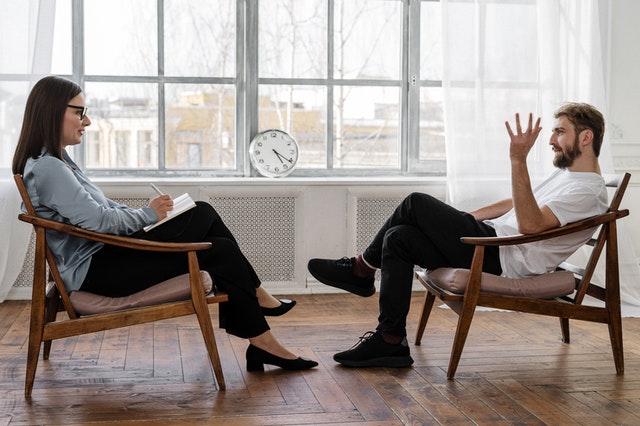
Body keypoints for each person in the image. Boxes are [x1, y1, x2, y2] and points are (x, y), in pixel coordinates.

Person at [12, 75, 317, 372]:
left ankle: (262, 337)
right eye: (80, 113)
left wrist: (150, 215)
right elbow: (100, 221)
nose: (87, 122)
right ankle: (260, 312)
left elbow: (100, 210)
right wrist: (149, 216)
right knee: (207, 222)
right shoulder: (50, 168)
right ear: (53, 112)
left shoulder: (57, 161)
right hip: (98, 271)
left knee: (210, 227)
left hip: (104, 259)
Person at [308, 103, 608, 368]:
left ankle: (361, 269)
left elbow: (530, 225)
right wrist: (465, 219)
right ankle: (390, 340)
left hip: (500, 257)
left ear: (585, 137)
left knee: (416, 202)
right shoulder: (569, 176)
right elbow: (518, 203)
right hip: (491, 240)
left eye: (559, 132)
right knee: (398, 237)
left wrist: (518, 160)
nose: (551, 140)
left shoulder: (587, 191)